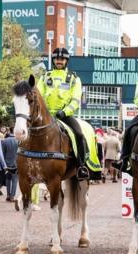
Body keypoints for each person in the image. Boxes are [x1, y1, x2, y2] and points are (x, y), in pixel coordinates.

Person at [36, 47, 89, 179]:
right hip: (46, 116)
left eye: (62, 59)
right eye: (57, 59)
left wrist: (65, 112)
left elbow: (76, 99)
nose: (59, 61)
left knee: (79, 134)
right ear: (53, 60)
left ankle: (81, 166)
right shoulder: (44, 77)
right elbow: (38, 96)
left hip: (64, 116)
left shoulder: (74, 78)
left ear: (66, 61)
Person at [2, 126, 18, 202]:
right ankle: (12, 196)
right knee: (15, 181)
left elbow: (2, 153)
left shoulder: (5, 141)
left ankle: (8, 195)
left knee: (8, 180)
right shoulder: (18, 141)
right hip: (16, 164)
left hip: (6, 163)